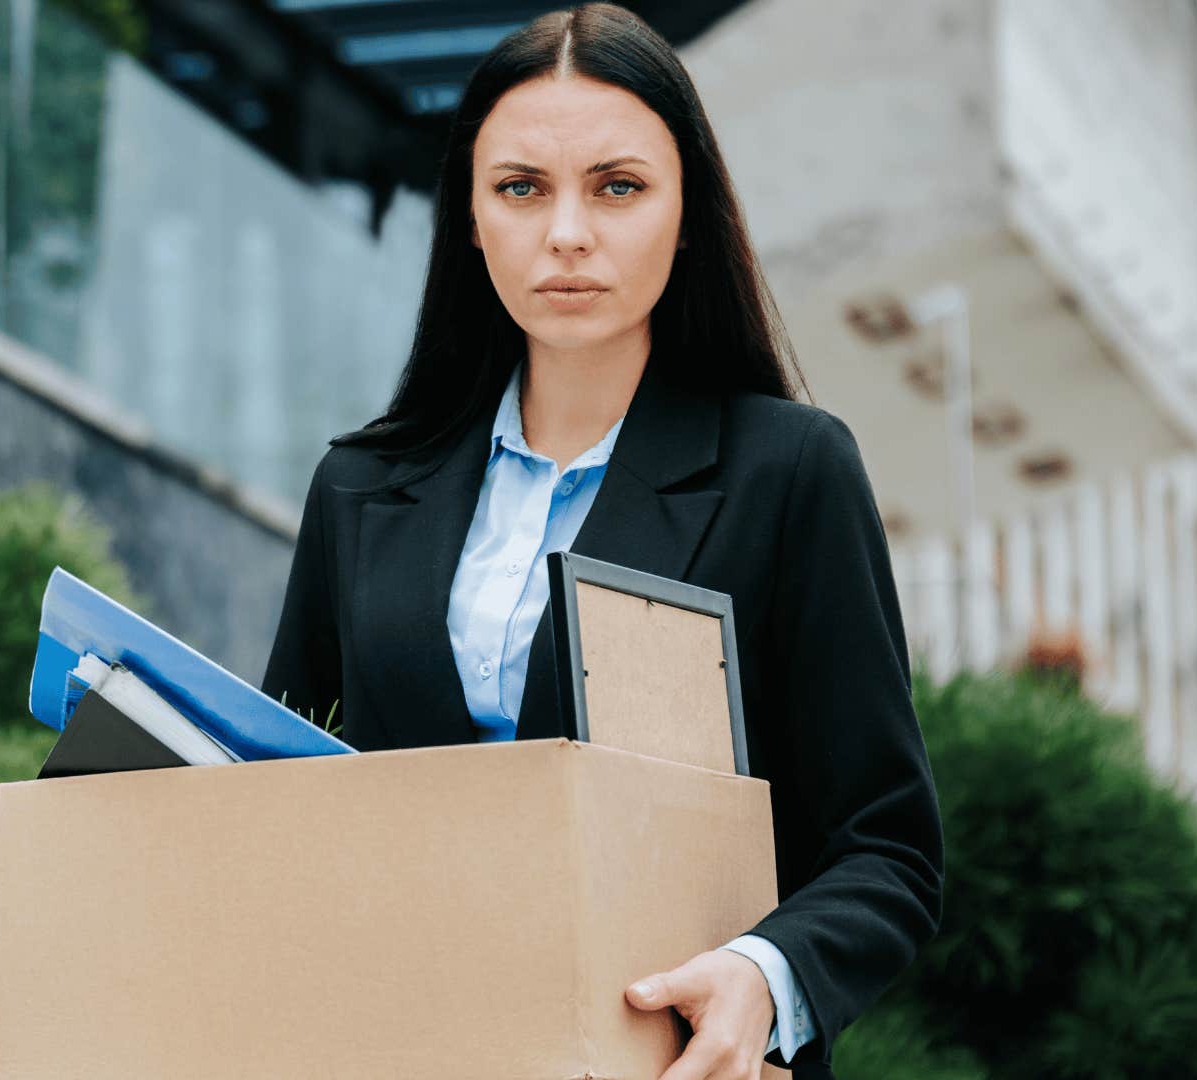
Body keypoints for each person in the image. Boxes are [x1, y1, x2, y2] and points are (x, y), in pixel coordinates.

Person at [260, 4, 943, 1078]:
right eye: (521, 189)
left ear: (687, 213)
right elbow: (280, 795)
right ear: (472, 219)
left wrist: (764, 977)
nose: (567, 233)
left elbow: (887, 849)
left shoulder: (789, 472)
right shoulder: (359, 486)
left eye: (617, 188)